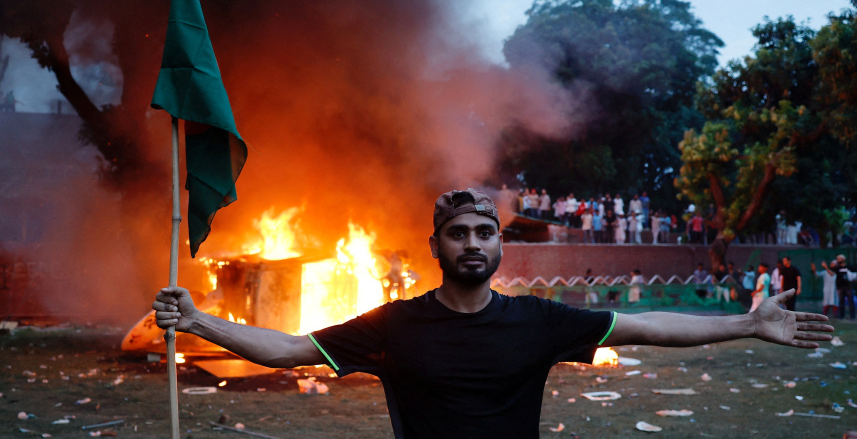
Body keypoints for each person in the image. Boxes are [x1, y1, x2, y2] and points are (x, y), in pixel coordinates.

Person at [153, 189, 833, 439]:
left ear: (498, 245)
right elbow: (289, 350)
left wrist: (746, 322)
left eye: (484, 233)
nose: (473, 243)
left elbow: (648, 326)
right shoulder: (391, 326)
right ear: (435, 246)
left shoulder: (537, 320)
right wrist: (197, 321)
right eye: (459, 233)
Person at [827, 254, 856, 320]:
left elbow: (854, 275)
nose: (838, 260)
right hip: (840, 287)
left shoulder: (849, 267)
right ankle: (842, 316)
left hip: (848, 286)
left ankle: (852, 316)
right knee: (841, 301)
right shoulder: (837, 268)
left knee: (851, 301)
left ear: (843, 259)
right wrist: (831, 265)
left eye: (839, 259)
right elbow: (831, 271)